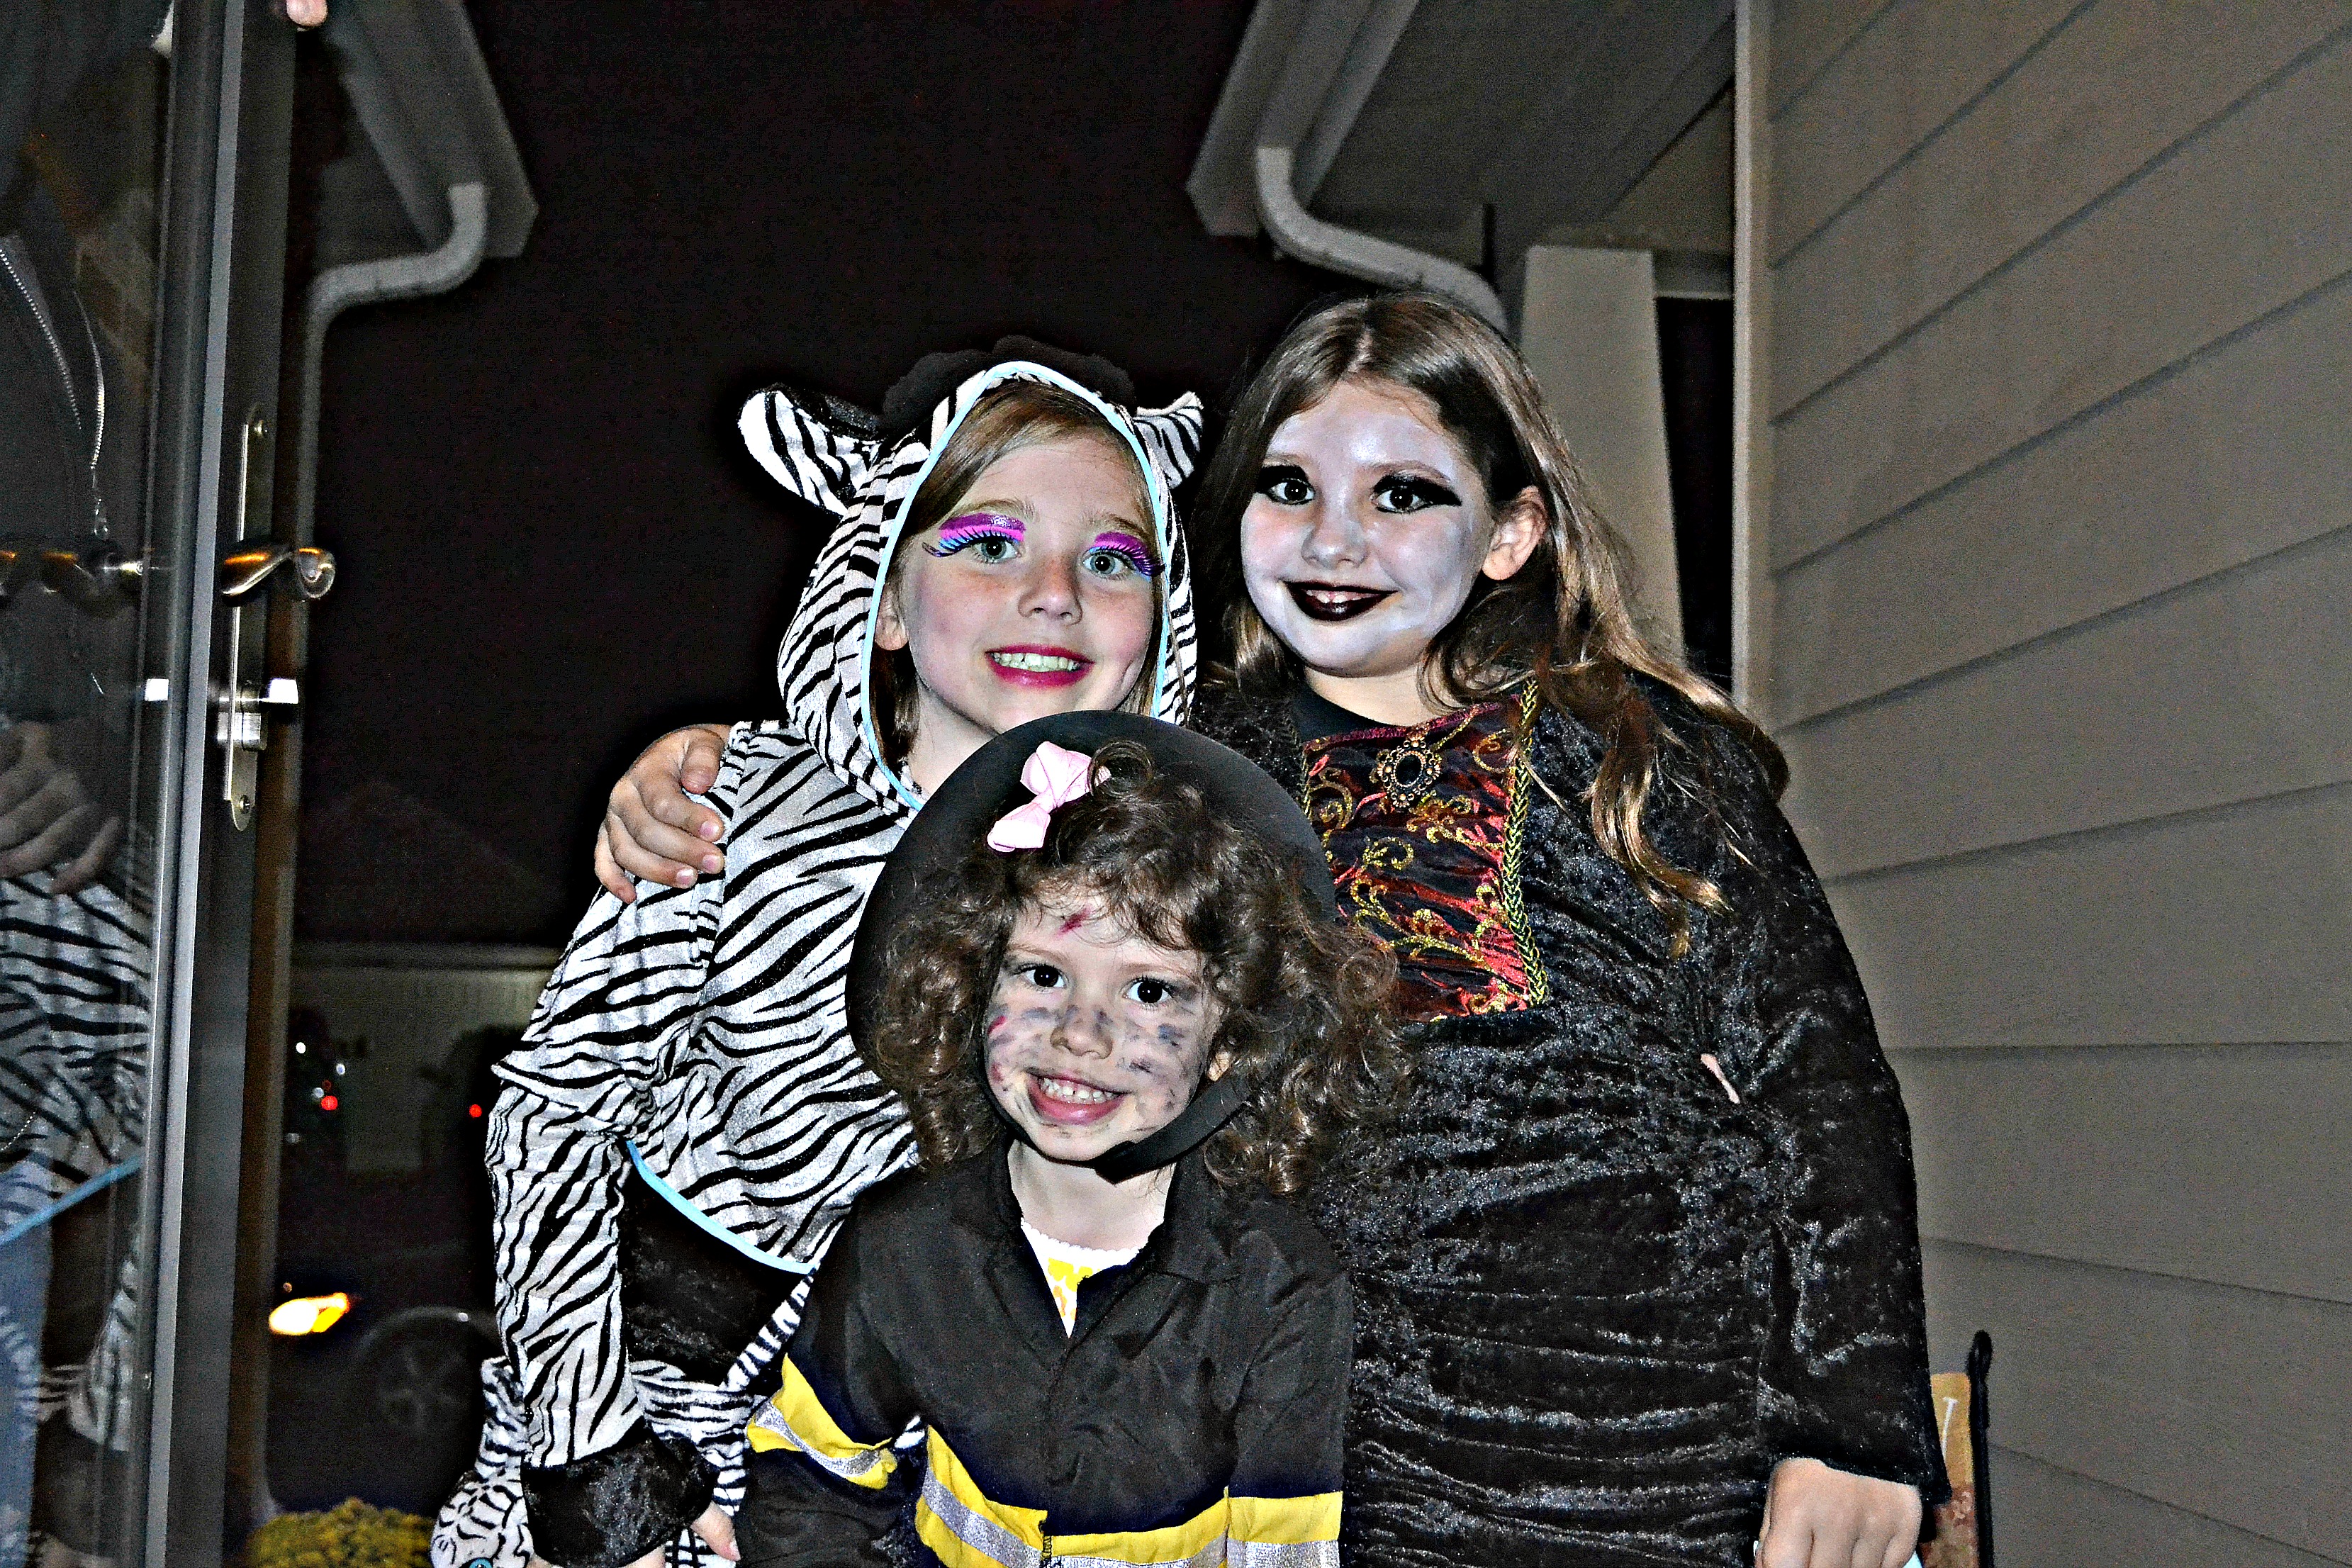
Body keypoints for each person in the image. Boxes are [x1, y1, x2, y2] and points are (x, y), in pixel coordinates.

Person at [599, 294, 1944, 1568]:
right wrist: (706, 764)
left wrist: (1852, 1426)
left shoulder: (1639, 762)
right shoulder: (1176, 776)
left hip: (1654, 1438)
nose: (1332, 541)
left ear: (1509, 533)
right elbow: (950, 835)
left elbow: (1818, 1087)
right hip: (1303, 1443)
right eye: (1288, 487)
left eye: (1401, 495)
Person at [432, 345, 1204, 1568]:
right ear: (882, 596)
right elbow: (551, 1118)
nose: (1054, 592)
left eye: (1113, 559)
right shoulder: (729, 812)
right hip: (684, 1463)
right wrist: (597, 1461)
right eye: (988, 543)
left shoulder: (1174, 886)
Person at [736, 719, 1402, 1567]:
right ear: (973, 987)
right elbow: (808, 1488)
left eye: (1150, 991)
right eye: (1042, 974)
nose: (1080, 1034)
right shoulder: (900, 1245)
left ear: (1230, 1041)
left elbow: (1284, 1555)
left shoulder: (1282, 1286)